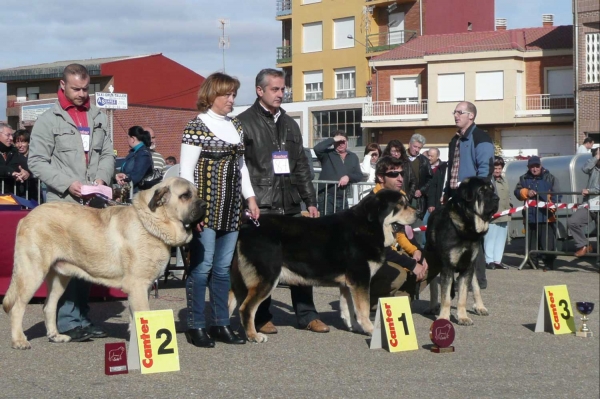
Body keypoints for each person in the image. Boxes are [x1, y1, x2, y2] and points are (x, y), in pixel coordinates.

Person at [237, 68, 328, 334]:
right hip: (262, 205)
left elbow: (301, 165)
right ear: (260, 91)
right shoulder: (243, 122)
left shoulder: (290, 123)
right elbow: (240, 167)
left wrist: (310, 201)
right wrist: (247, 201)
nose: (281, 93)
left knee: (302, 260)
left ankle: (307, 314)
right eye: (275, 89)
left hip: (290, 205)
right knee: (266, 265)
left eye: (283, 89)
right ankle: (262, 315)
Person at [28, 63, 114, 342]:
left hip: (93, 204)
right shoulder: (48, 119)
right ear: (62, 85)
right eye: (75, 88)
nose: (81, 94)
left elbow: (108, 155)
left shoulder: (98, 115)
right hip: (63, 205)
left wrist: (101, 178)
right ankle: (66, 321)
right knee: (66, 263)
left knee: (87, 262)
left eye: (85, 88)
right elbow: (36, 161)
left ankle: (82, 318)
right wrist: (68, 184)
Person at [180, 72, 259, 348]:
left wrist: (250, 198)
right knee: (201, 268)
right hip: (205, 208)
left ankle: (220, 323)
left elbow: (242, 167)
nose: (231, 99)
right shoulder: (195, 126)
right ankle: (195, 325)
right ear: (211, 95)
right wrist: (193, 212)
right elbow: (186, 172)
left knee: (223, 270)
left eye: (234, 94)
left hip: (231, 209)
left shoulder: (236, 126)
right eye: (226, 94)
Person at [444, 101, 494, 288]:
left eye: (460, 112)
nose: (456, 115)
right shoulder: (455, 140)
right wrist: (447, 193)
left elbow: (485, 171)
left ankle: (478, 281)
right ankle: (459, 278)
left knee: (474, 239)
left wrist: (475, 196)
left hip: (473, 199)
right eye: (454, 112)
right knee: (456, 238)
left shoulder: (481, 138)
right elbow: (453, 170)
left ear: (471, 116)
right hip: (456, 197)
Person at [368, 156, 429, 309]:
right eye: (394, 174)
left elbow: (402, 233)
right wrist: (410, 264)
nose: (400, 178)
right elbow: (379, 248)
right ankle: (370, 303)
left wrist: (416, 252)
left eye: (401, 174)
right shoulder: (373, 203)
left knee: (429, 264)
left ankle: (400, 302)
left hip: (393, 251)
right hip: (373, 257)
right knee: (399, 273)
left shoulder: (399, 198)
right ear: (381, 177)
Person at [514, 156, 558, 271]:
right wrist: (526, 192)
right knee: (531, 243)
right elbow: (517, 192)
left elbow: (557, 195)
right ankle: (532, 263)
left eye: (536, 166)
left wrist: (552, 206)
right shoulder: (523, 178)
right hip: (530, 216)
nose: (534, 169)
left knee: (547, 243)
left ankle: (549, 264)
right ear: (528, 167)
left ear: (540, 166)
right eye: (532, 167)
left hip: (546, 217)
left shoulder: (550, 178)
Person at [314, 130, 363, 215]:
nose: (340, 144)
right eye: (338, 142)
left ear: (347, 142)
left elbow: (359, 175)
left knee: (343, 224)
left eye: (343, 141)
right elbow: (317, 148)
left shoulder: (353, 157)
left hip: (343, 196)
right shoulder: (327, 154)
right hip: (326, 196)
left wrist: (348, 177)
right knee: (326, 224)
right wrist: (332, 139)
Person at [568, 147, 599, 257]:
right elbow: (585, 168)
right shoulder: (594, 168)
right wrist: (597, 156)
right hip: (590, 205)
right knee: (573, 221)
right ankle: (583, 245)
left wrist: (590, 191)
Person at [483, 156, 511, 270]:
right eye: (495, 168)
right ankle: (489, 260)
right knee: (490, 238)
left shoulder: (504, 180)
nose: (498, 171)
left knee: (501, 238)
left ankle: (498, 260)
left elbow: (508, 195)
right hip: (493, 215)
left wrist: (510, 205)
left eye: (499, 168)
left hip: (504, 214)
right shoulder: (488, 181)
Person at [114, 126, 153, 193]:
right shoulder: (135, 153)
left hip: (138, 194)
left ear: (133, 139)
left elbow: (136, 176)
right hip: (130, 191)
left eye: (127, 137)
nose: (127, 140)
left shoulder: (143, 154)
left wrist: (125, 179)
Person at [1, 123, 31, 196]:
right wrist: (10, 172)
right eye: (8, 135)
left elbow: (23, 164)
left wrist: (26, 173)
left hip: (11, 198)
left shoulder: (14, 151)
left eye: (11, 135)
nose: (11, 138)